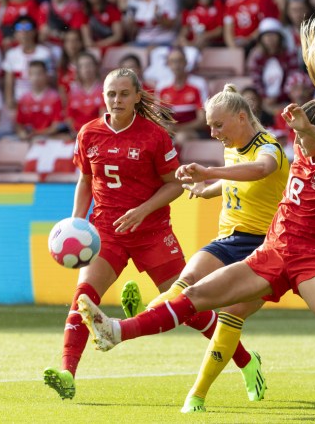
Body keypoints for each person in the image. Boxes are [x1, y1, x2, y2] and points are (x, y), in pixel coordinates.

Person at [76, 16, 315, 422]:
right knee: (195, 296)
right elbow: (259, 175)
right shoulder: (299, 153)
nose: (299, 144)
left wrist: (312, 131)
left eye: (304, 138)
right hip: (272, 250)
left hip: (313, 258)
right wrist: (211, 186)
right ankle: (117, 332)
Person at [42, 67, 260, 401]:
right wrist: (77, 223)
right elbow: (86, 179)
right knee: (83, 297)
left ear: (137, 97)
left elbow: (174, 185)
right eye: (111, 94)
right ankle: (67, 372)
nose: (116, 100)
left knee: (189, 308)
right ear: (103, 96)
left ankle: (246, 362)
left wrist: (142, 211)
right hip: (106, 232)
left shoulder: (154, 136)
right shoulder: (88, 134)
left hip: (152, 233)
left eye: (124, 94)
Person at [122, 81, 290, 411]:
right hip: (229, 240)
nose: (213, 133)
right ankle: (140, 316)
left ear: (242, 118)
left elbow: (262, 170)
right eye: (210, 125)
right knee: (184, 287)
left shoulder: (269, 147)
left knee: (230, 314)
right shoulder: (233, 146)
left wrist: (209, 170)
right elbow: (235, 179)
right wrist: (207, 189)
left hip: (266, 248)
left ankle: (197, 394)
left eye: (218, 125)